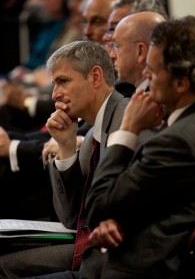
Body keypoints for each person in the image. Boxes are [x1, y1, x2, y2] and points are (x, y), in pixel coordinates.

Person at [84, 16, 195, 279]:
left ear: (181, 83)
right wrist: (118, 217)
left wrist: (127, 129)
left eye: (152, 71)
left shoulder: (177, 143)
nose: (144, 75)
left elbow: (98, 206)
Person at [0, 40, 129, 278]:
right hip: (89, 247)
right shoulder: (91, 135)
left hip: (115, 261)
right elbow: (71, 218)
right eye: (54, 84)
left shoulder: (126, 120)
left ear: (95, 77)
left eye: (63, 81)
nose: (55, 94)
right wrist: (66, 146)